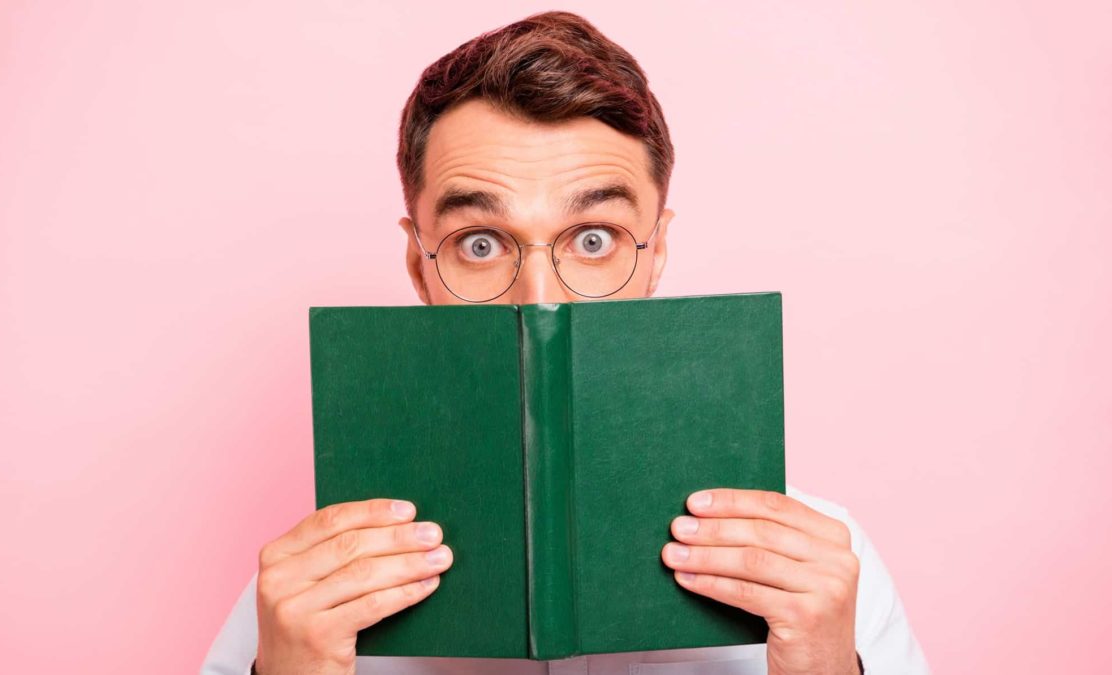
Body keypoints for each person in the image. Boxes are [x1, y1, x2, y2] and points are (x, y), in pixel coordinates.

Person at [202, 11, 929, 675]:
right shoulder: (306, 594)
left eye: (594, 239)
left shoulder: (824, 570)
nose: (540, 299)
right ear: (419, 267)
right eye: (479, 243)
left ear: (655, 253)